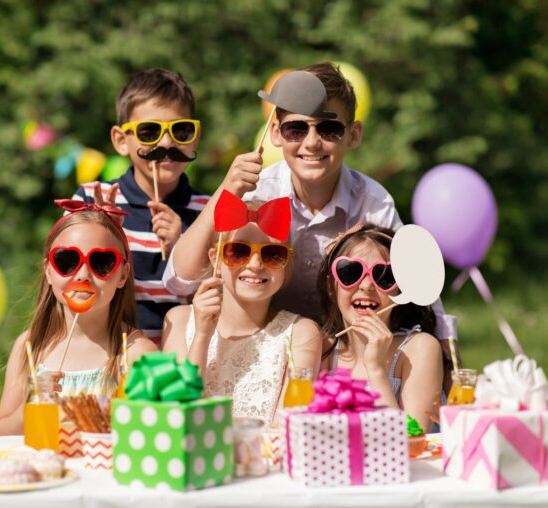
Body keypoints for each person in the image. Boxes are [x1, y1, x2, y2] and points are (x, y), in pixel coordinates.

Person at [163, 62, 456, 341]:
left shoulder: (372, 203)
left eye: (329, 129)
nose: (312, 142)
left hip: (343, 349)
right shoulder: (254, 191)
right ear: (276, 134)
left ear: (353, 135)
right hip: (263, 342)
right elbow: (179, 280)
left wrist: (446, 358)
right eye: (297, 129)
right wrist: (225, 192)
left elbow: (417, 288)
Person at [0, 200, 157, 436]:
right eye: (67, 260)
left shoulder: (136, 354)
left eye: (101, 263)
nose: (82, 275)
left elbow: (151, 433)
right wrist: (30, 405)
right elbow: (0, 433)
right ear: (49, 271)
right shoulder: (30, 347)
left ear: (122, 274)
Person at [71, 68, 209, 345]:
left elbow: (216, 303)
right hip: (109, 352)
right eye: (149, 132)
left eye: (181, 130)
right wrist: (103, 233)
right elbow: (70, 284)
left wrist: (182, 250)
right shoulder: (90, 199)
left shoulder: (208, 212)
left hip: (180, 360)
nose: (167, 143)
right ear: (121, 141)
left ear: (195, 136)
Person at [162, 197, 321, 428]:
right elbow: (177, 419)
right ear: (215, 259)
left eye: (272, 254)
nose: (255, 265)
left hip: (263, 463)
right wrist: (202, 337)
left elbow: (288, 430)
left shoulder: (301, 334)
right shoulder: (178, 321)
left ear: (286, 263)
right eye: (238, 252)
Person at [318, 223, 444, 431]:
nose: (366, 286)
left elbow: (411, 440)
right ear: (331, 288)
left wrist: (376, 369)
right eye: (350, 272)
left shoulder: (419, 349)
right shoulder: (322, 350)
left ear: (400, 290)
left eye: (384, 276)